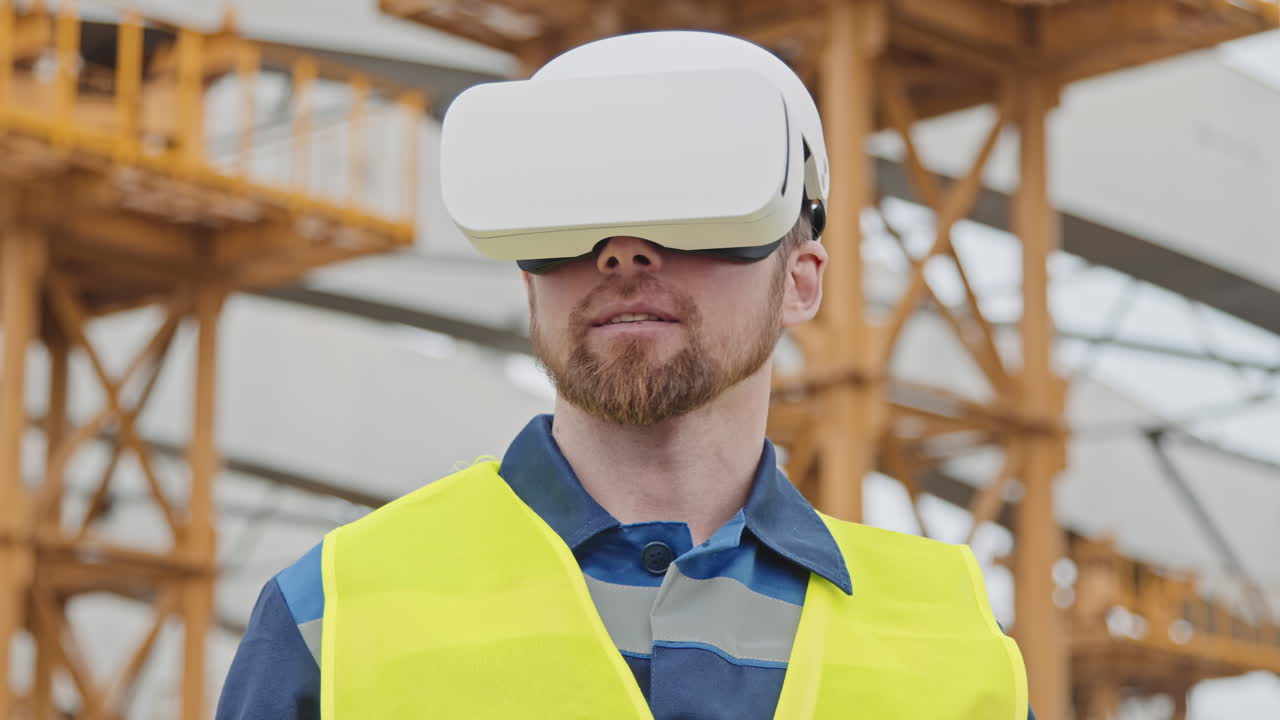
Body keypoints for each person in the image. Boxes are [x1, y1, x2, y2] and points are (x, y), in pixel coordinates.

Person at [217, 31, 1032, 720]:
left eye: (698, 205)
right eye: (573, 214)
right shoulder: (331, 616)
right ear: (528, 281)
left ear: (803, 278)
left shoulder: (963, 655)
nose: (623, 249)